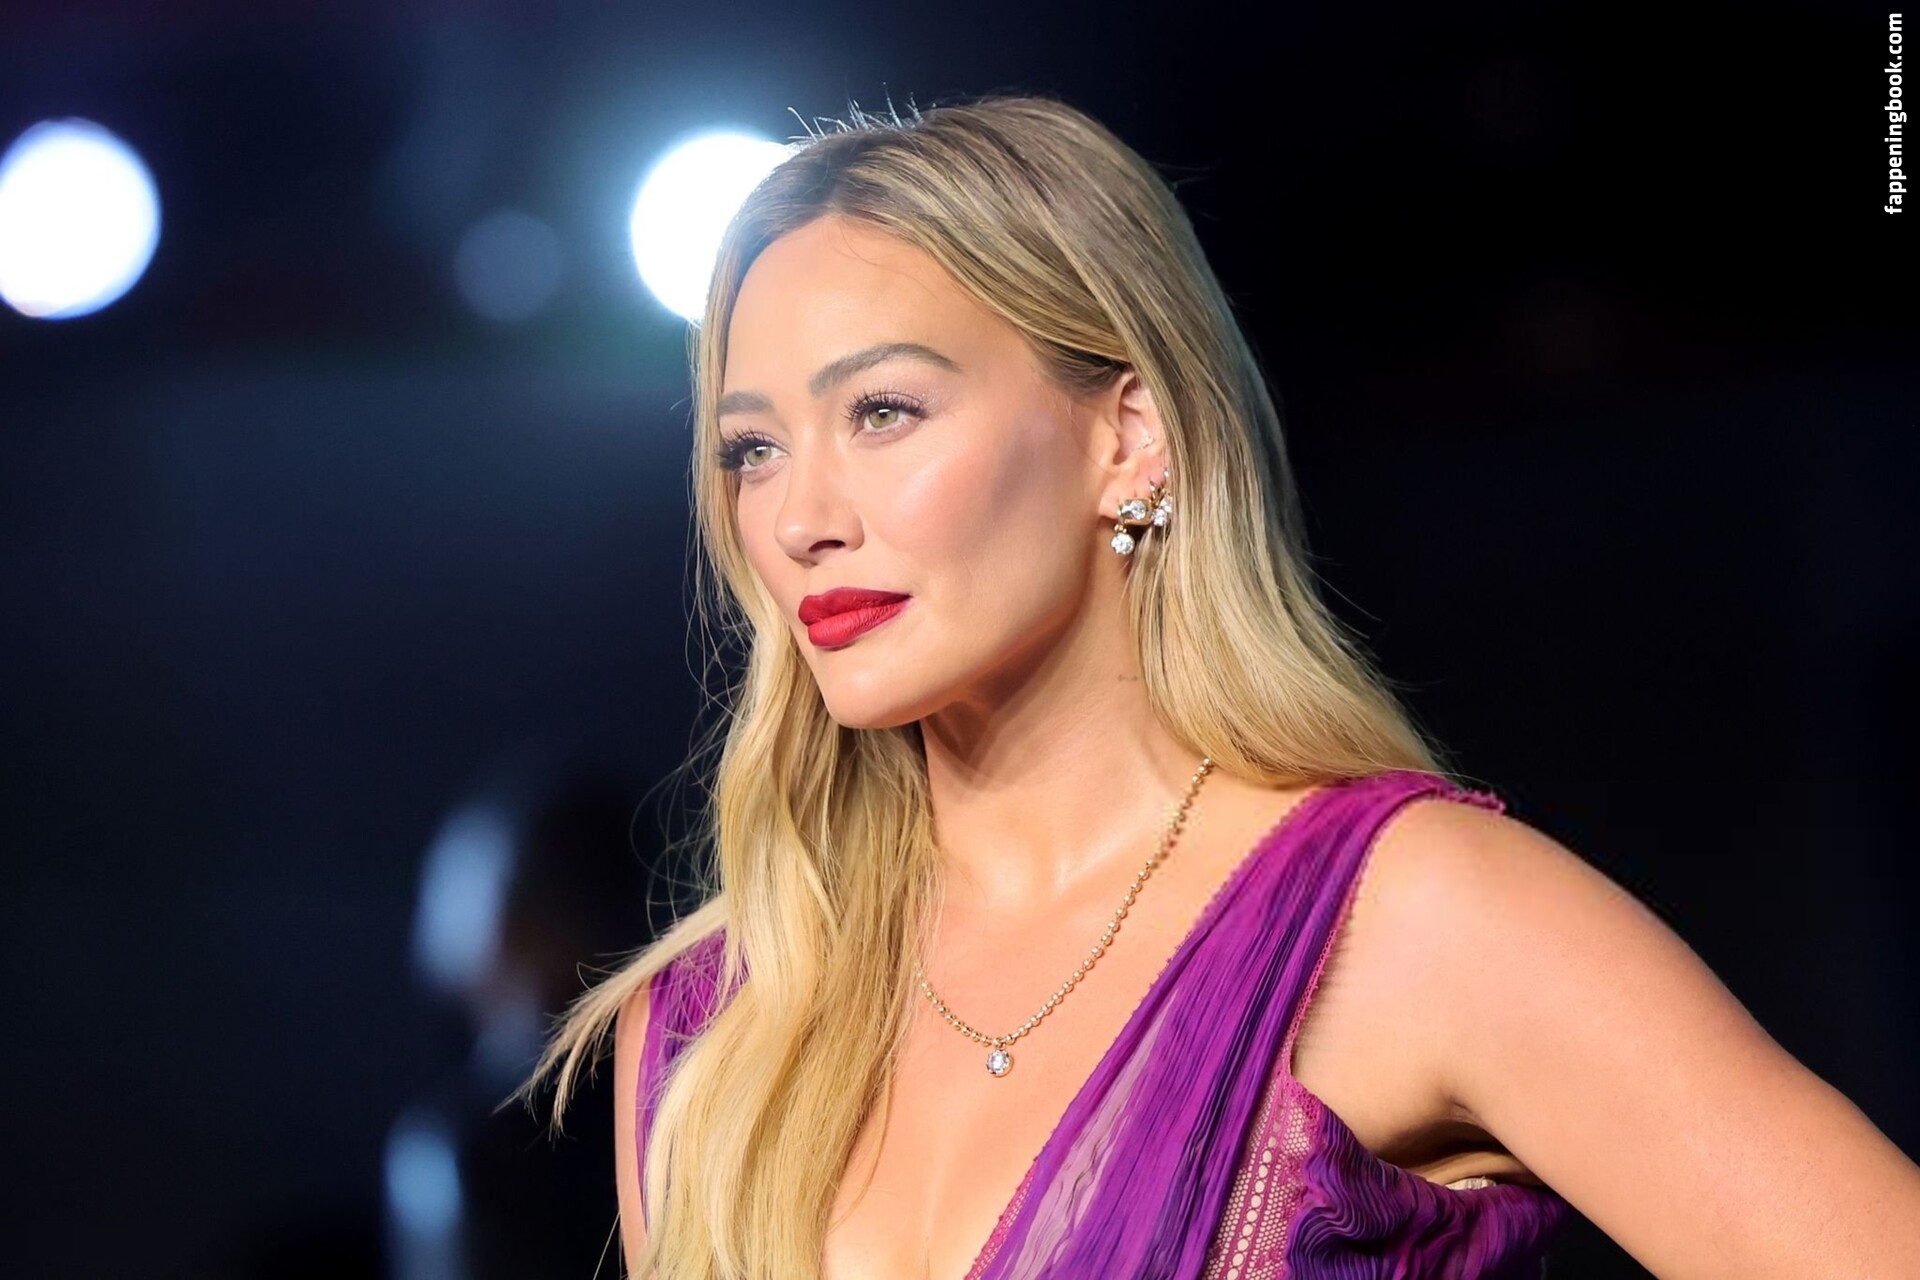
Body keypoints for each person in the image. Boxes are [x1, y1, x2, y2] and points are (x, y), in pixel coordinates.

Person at [513, 93, 1920, 1278]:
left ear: (1128, 437)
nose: (800, 517)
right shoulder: (713, 1033)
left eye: (883, 411)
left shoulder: (1411, 921)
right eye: (752, 449)